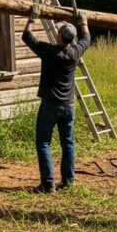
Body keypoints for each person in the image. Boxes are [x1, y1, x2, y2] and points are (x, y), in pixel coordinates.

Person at [22, 10, 90, 193]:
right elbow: (87, 39)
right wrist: (83, 22)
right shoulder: (75, 52)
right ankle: (68, 180)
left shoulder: (49, 51)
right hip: (68, 105)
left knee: (43, 142)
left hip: (50, 104)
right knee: (67, 143)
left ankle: (48, 184)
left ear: (59, 35)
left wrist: (32, 19)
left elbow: (26, 37)